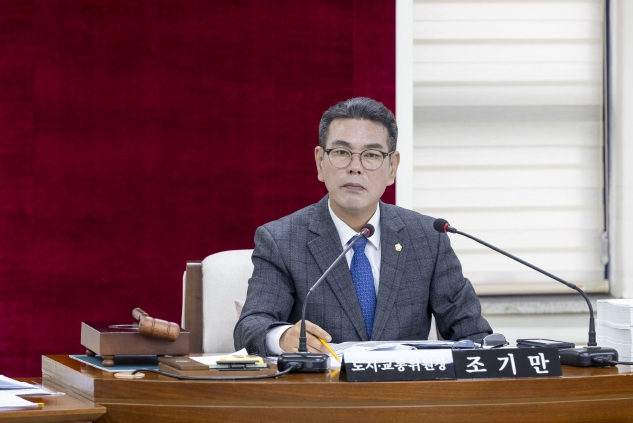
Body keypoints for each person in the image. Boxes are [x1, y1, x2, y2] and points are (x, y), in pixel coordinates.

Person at [234, 97, 492, 356]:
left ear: (392, 168)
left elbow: (471, 331)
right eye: (341, 152)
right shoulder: (281, 240)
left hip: (404, 382)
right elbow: (251, 326)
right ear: (320, 161)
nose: (355, 167)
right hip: (322, 382)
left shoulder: (427, 238)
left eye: (371, 155)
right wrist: (281, 338)